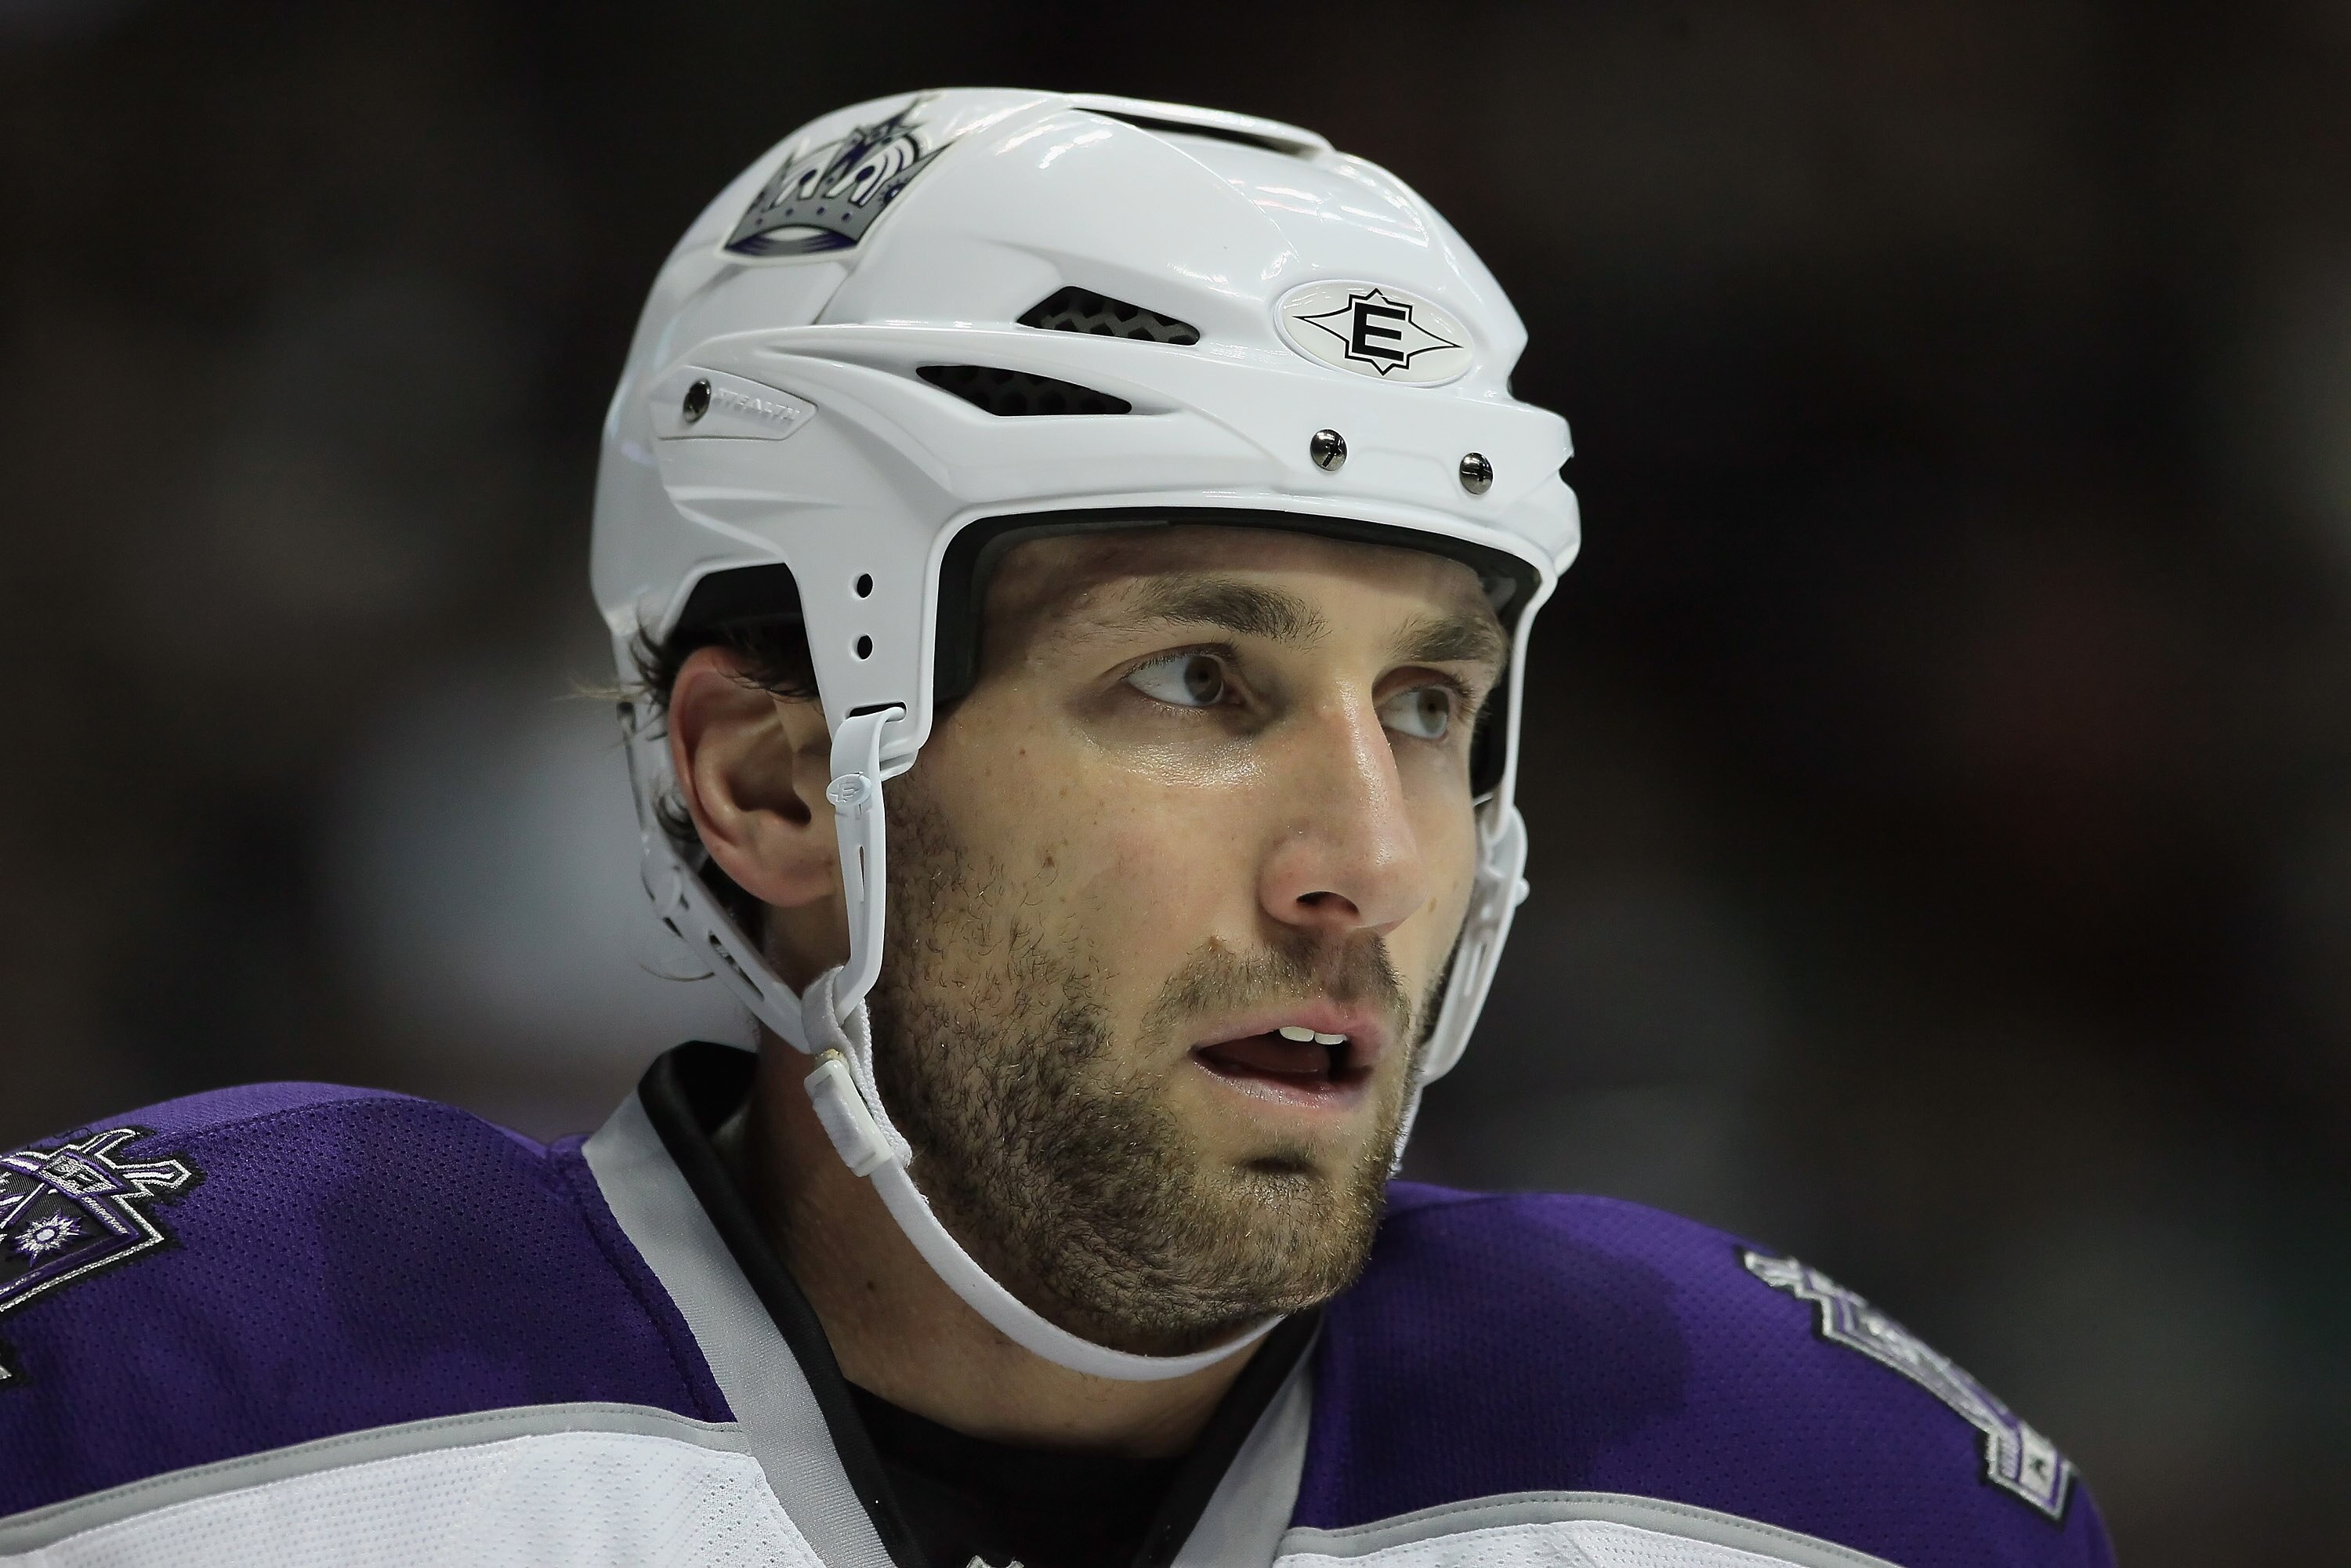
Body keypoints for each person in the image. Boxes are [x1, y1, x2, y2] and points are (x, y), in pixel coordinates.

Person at [0, 90, 2113, 1568]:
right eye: (1195, 681)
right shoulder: (169, 1425)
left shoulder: (1801, 1505)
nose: (1368, 862)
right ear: (772, 782)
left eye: (1428, 706)